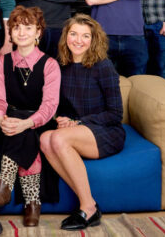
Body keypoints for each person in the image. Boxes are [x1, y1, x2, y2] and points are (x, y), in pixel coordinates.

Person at [40, 14, 125, 231]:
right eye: (74, 34)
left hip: (106, 130)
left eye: (85, 36)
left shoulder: (103, 66)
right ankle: (90, 204)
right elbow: (58, 103)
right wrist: (60, 117)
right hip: (77, 129)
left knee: (58, 138)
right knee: (45, 139)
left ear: (93, 39)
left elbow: (116, 114)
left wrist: (77, 122)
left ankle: (87, 207)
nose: (78, 40)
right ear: (66, 37)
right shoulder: (59, 65)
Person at [0, 5, 60, 227]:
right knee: (17, 130)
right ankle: (32, 203)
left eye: (28, 27)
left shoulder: (50, 64)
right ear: (10, 32)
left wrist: (27, 123)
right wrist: (0, 119)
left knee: (27, 134)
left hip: (40, 121)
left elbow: (50, 106)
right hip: (8, 122)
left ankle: (5, 186)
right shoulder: (1, 62)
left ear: (38, 32)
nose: (21, 32)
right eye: (16, 27)